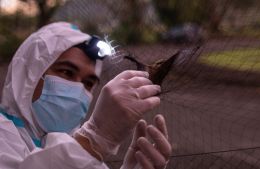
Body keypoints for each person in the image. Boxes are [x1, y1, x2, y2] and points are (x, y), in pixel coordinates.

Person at [0, 22, 171, 169]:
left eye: (88, 83)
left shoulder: (75, 144)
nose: (77, 89)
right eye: (67, 72)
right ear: (29, 74)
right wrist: (93, 141)